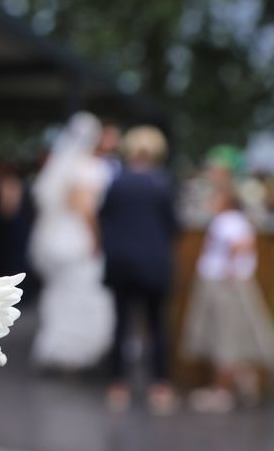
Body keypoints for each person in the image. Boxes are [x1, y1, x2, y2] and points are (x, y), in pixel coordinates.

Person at [99, 125, 179, 415]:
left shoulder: (117, 182)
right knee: (157, 325)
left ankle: (118, 385)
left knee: (121, 323)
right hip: (155, 263)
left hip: (121, 262)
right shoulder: (162, 183)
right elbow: (173, 226)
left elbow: (103, 218)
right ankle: (160, 385)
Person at [29, 112, 114, 370]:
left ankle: (54, 346)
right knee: (82, 293)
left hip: (56, 238)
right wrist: (97, 239)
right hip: (78, 239)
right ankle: (76, 352)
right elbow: (85, 208)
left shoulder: (60, 165)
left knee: (59, 293)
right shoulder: (89, 167)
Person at [183, 184, 274, 413]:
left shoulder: (227, 221)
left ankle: (222, 390)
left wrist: (229, 268)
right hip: (229, 284)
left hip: (224, 286)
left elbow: (242, 244)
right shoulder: (235, 220)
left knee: (225, 338)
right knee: (233, 336)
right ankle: (245, 380)